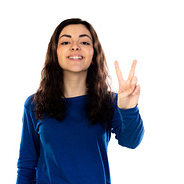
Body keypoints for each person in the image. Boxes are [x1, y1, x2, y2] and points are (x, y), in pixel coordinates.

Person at [16, 18, 144, 184]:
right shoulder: (34, 104)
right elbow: (27, 166)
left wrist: (129, 109)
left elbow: (131, 141)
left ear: (93, 55)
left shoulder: (110, 102)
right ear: (55, 54)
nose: (75, 46)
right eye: (65, 42)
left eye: (84, 41)